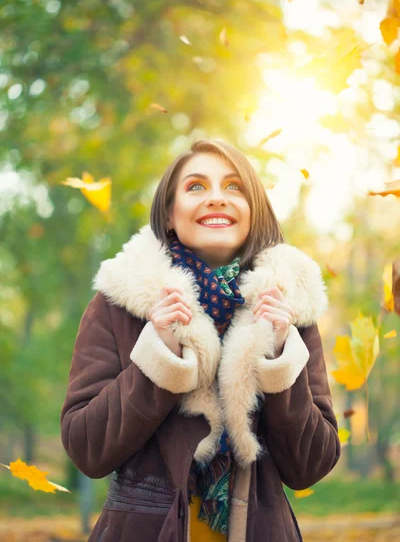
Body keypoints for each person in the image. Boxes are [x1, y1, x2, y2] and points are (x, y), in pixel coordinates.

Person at [60, 138, 341, 542]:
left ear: (254, 213)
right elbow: (87, 449)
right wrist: (159, 357)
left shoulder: (289, 310)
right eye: (195, 187)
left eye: (234, 187)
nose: (216, 199)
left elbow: (310, 466)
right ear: (169, 215)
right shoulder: (118, 304)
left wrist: (280, 358)